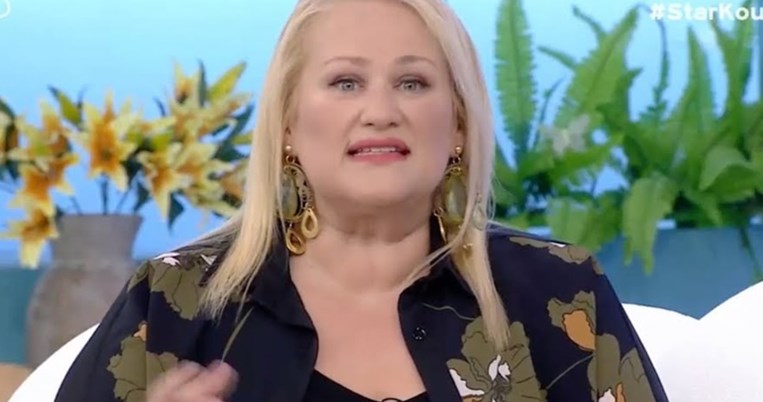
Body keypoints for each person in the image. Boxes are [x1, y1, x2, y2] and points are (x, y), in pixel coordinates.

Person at [54, 0, 669, 401]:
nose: (381, 111)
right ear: (288, 124)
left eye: (413, 82)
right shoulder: (171, 305)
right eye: (346, 82)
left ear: (458, 124)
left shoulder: (560, 295)